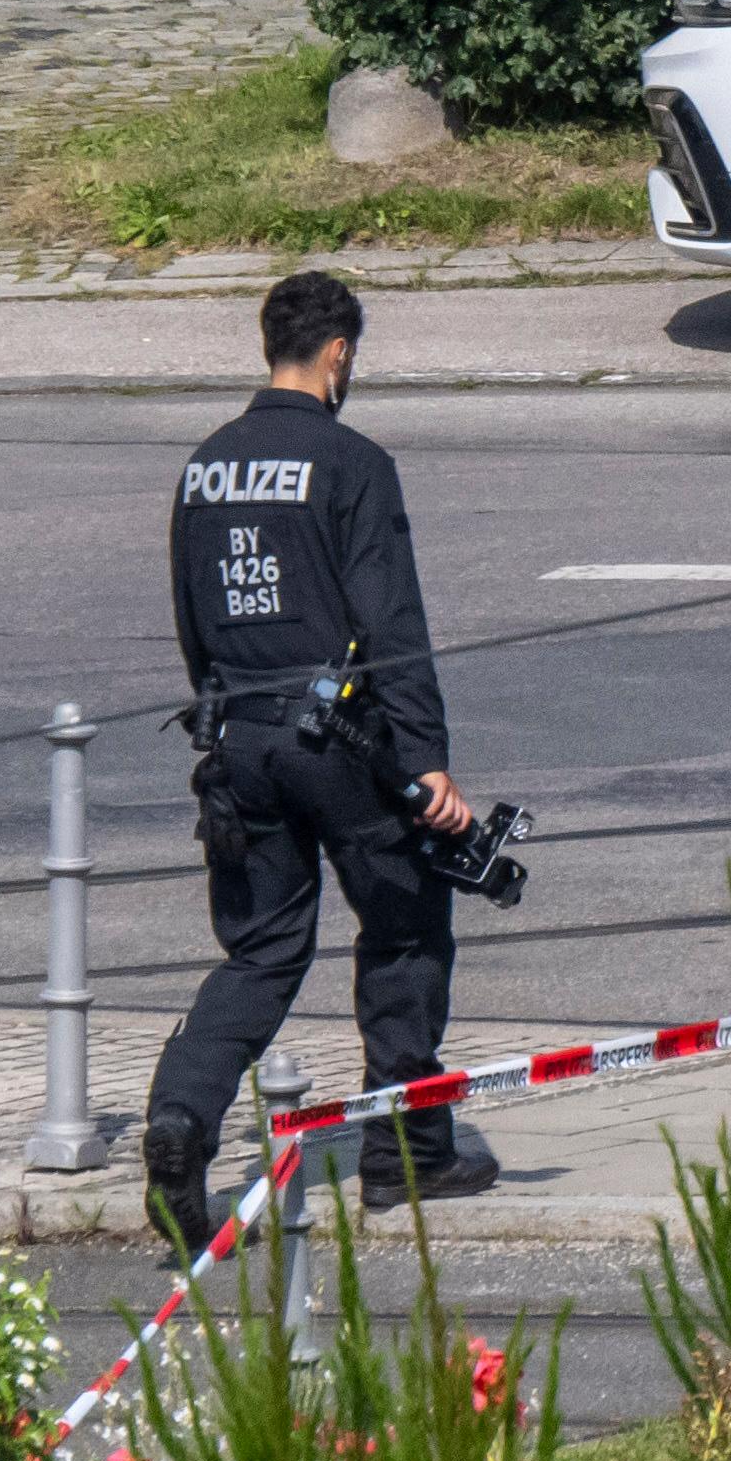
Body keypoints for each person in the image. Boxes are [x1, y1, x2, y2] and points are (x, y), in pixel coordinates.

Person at [157, 268, 497, 1249]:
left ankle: (179, 1117)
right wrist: (426, 760)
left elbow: (193, 621)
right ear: (338, 353)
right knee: (403, 922)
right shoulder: (351, 463)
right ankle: (406, 1154)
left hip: (236, 740)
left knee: (261, 950)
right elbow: (392, 625)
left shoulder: (206, 467)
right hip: (336, 741)